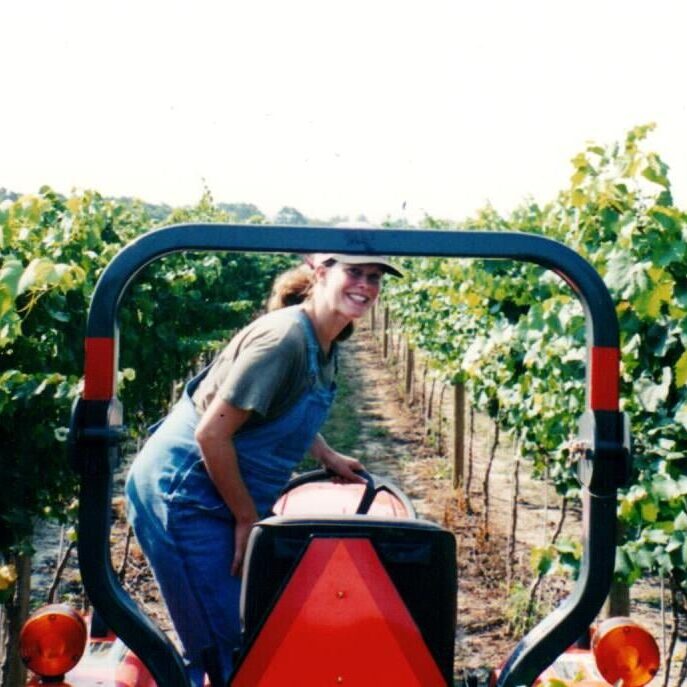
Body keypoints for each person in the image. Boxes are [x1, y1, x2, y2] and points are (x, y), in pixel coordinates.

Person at [124, 252, 402, 686]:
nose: (365, 285)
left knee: (262, 623)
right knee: (231, 641)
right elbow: (211, 436)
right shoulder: (284, 341)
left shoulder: (328, 337)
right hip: (184, 494)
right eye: (354, 273)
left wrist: (326, 454)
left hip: (218, 489)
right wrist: (246, 518)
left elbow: (276, 408)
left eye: (374, 277)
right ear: (321, 271)